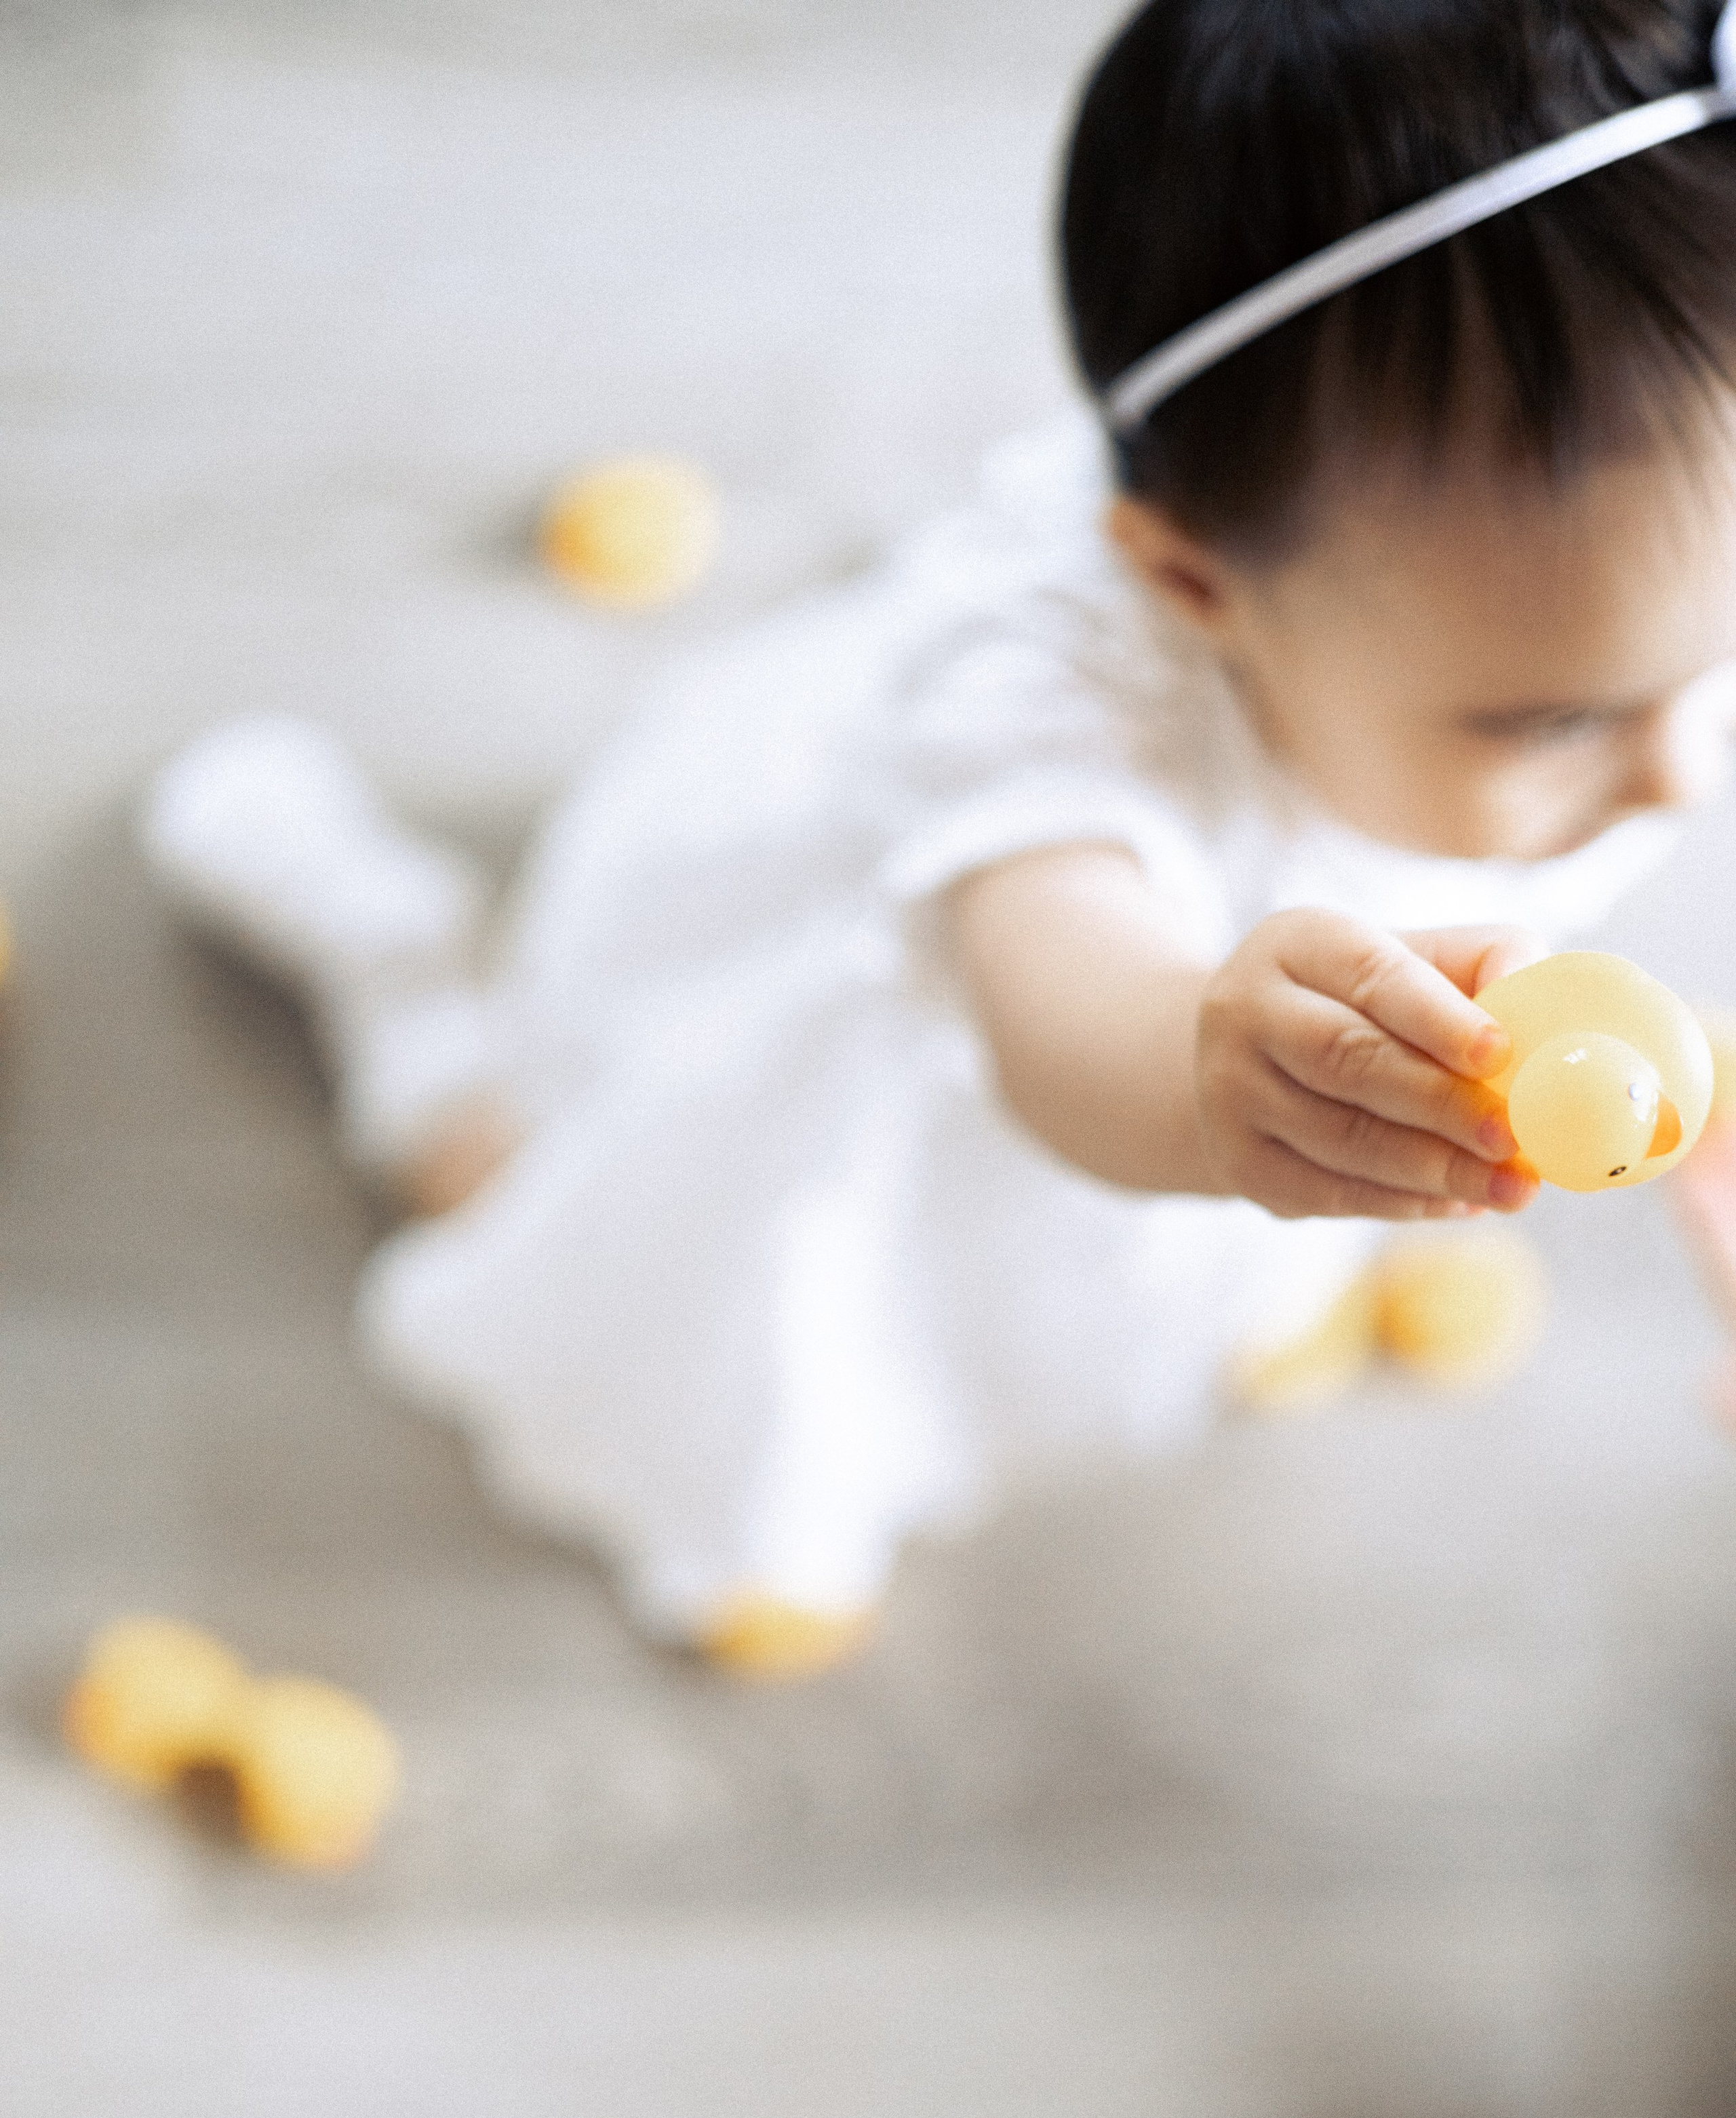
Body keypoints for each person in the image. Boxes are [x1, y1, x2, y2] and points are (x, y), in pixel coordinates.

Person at [144, 0, 1736, 1678]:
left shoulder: (1519, 605)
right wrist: (1208, 1078)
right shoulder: (1038, 682)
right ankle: (407, 996)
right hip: (896, 1097)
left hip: (1189, 1162)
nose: (1681, 778)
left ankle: (1248, 1233)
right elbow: (1050, 990)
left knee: (1234, 1206)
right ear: (1194, 587)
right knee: (605, 1239)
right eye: (1552, 723)